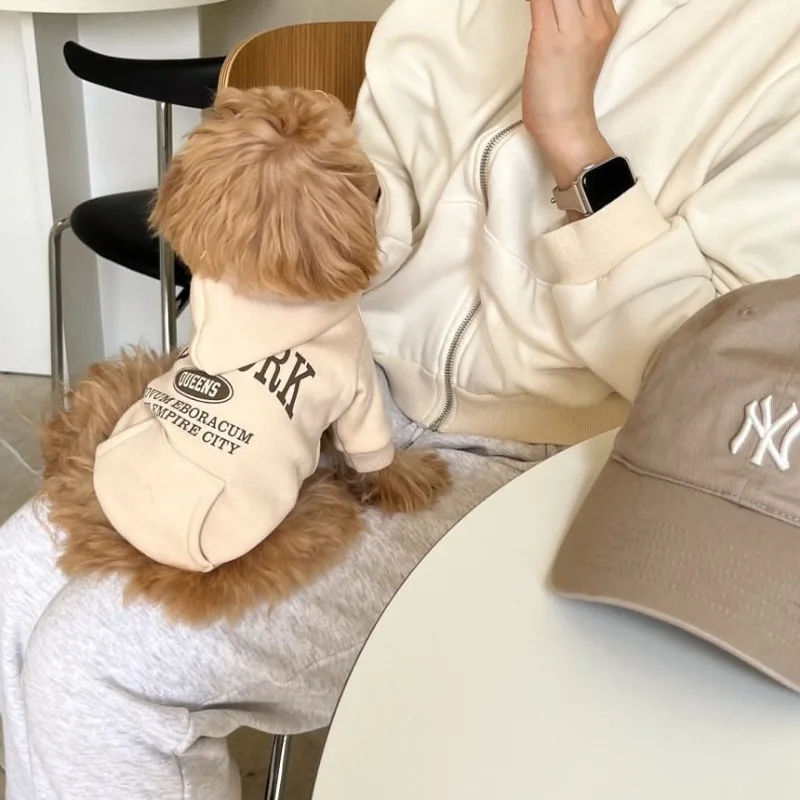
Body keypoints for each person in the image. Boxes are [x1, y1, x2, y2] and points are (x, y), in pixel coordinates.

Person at [1, 0, 798, 796]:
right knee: (17, 577)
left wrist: (575, 146)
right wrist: (302, 210)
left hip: (546, 465)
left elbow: (713, 387)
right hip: (344, 376)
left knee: (98, 666)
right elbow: (384, 209)